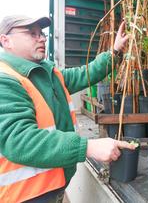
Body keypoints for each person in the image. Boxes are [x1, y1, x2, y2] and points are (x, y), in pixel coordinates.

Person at [0, 15, 135, 203]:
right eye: (32, 33)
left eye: (42, 34)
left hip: (51, 186)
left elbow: (83, 75)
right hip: (24, 195)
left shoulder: (47, 72)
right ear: (6, 40)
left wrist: (114, 52)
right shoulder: (5, 80)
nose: (41, 38)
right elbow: (18, 139)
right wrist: (87, 146)